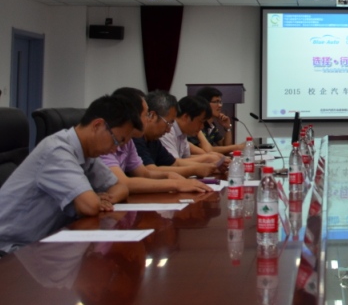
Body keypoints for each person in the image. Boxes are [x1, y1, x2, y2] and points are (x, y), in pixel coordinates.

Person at [0, 95, 134, 255]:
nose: (115, 149)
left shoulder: (87, 154)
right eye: (116, 141)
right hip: (10, 250)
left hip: (43, 245)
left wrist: (105, 199)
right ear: (97, 125)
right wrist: (94, 200)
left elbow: (120, 187)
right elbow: (90, 206)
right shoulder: (57, 150)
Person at [100, 88, 212, 194]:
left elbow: (144, 173)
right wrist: (176, 184)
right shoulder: (105, 142)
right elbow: (123, 183)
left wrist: (168, 175)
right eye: (146, 115)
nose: (149, 119)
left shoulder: (129, 142)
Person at [133, 91, 220, 178]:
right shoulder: (136, 138)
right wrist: (195, 169)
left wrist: (205, 167)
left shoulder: (153, 140)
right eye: (169, 123)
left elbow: (174, 163)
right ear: (152, 116)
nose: (169, 130)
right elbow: (149, 171)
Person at [160, 96, 226, 168]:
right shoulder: (168, 131)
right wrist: (207, 159)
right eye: (201, 122)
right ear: (186, 117)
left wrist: (211, 158)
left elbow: (185, 158)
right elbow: (173, 163)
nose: (202, 127)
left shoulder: (182, 132)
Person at [189, 86, 243, 155]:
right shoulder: (196, 125)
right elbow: (208, 150)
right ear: (205, 103)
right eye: (216, 102)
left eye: (220, 102)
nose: (220, 105)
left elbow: (225, 147)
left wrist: (227, 128)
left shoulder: (212, 125)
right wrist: (238, 147)